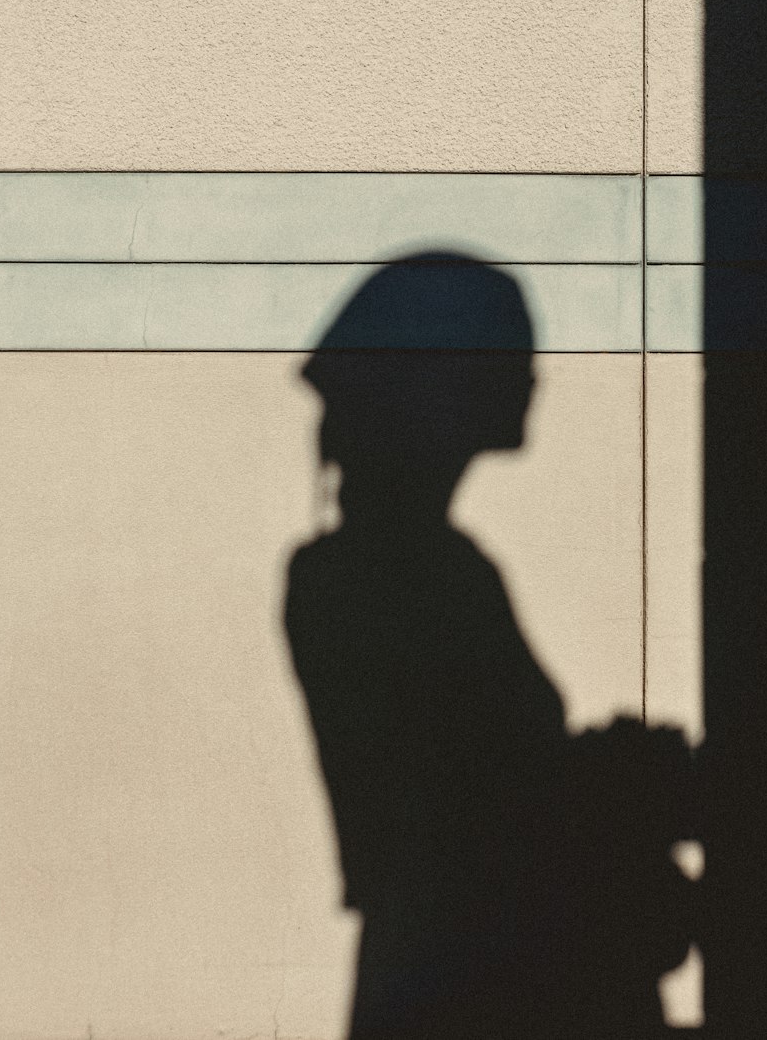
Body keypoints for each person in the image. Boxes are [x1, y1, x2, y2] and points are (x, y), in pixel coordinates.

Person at [283, 255, 694, 1039]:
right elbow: (492, 805)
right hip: (485, 983)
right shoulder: (393, 578)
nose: (531, 379)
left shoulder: (393, 573)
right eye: (511, 356)